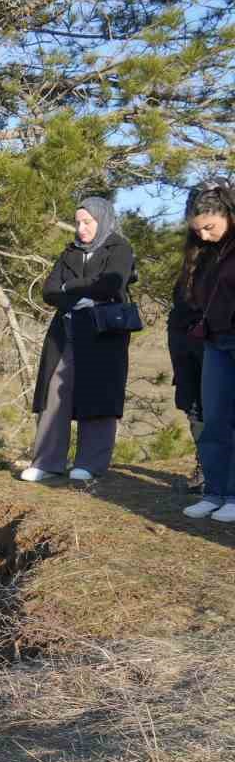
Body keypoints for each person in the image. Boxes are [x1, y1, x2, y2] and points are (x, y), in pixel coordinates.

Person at [21, 198, 137, 484]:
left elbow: (112, 284)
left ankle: (90, 463)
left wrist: (69, 288)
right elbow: (49, 291)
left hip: (102, 335)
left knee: (98, 393)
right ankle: (47, 462)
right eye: (78, 222)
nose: (81, 228)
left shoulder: (119, 248)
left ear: (102, 220)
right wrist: (83, 294)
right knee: (53, 393)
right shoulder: (70, 251)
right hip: (66, 333)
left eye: (87, 222)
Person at [178, 181, 235, 522]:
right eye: (197, 230)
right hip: (216, 341)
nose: (203, 236)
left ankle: (233, 496)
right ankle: (214, 492)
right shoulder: (204, 252)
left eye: (209, 227)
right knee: (214, 419)